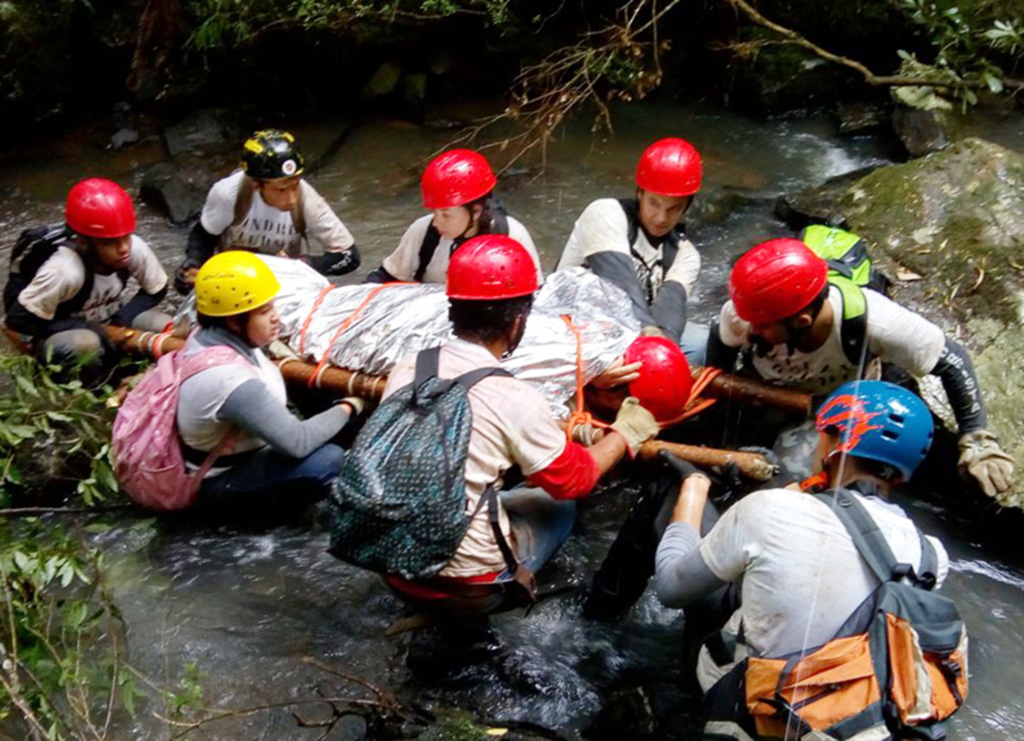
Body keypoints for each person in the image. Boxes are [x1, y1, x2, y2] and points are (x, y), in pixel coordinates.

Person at [653, 381, 955, 739]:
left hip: (755, 715)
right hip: (844, 722)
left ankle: (601, 619)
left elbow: (670, 589)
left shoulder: (772, 510)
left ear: (832, 442)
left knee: (668, 495)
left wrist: (694, 486)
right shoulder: (932, 555)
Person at [381, 234, 660, 619]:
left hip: (390, 567)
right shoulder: (511, 394)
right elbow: (575, 480)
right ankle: (487, 603)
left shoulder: (410, 366)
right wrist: (624, 432)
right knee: (556, 506)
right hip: (467, 588)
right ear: (517, 321)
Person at [706, 238, 1015, 500]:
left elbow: (952, 360)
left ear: (802, 321)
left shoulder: (877, 322)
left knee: (788, 483)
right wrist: (713, 409)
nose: (750, 329)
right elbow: (719, 353)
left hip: (833, 410)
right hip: (764, 391)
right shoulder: (745, 312)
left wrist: (976, 438)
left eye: (761, 327)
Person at [177, 251, 359, 510]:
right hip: (216, 482)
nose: (275, 316)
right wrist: (351, 405)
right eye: (264, 311)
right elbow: (298, 442)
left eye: (272, 305)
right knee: (329, 459)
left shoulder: (205, 336)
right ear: (234, 320)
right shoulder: (228, 379)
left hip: (228, 456)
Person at [556, 137, 705, 366]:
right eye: (654, 204)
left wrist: (664, 353)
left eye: (674, 209)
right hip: (574, 323)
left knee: (700, 342)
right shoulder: (605, 213)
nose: (661, 218)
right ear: (639, 193)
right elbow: (617, 280)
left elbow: (671, 306)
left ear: (686, 206)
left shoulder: (686, 254)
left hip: (634, 331)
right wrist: (648, 332)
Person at [4, 178, 170, 374]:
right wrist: (95, 329)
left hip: (108, 317)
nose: (123, 249)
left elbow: (157, 289)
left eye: (126, 237)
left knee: (167, 327)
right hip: (62, 332)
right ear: (84, 243)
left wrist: (121, 320)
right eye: (109, 243)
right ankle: (81, 383)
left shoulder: (134, 248)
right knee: (88, 345)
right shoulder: (64, 271)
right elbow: (16, 320)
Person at [174, 129, 360, 293]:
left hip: (287, 284)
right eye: (281, 190)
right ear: (256, 184)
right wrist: (194, 265)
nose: (292, 199)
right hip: (235, 284)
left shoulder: (306, 197)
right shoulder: (228, 194)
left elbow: (350, 256)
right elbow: (203, 237)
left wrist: (304, 264)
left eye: (295, 185)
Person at [365, 149, 543, 285]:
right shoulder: (423, 231)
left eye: (446, 214)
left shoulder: (511, 236)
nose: (436, 222)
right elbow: (386, 276)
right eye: (434, 212)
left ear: (476, 211)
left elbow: (533, 297)